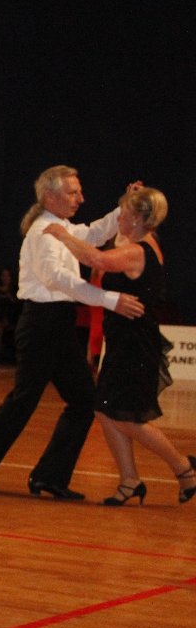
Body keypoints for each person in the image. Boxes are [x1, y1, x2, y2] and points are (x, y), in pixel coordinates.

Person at [0, 166, 145, 499]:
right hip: (40, 324)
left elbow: (96, 232)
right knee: (24, 400)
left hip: (59, 325)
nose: (80, 198)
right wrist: (110, 300)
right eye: (73, 192)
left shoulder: (64, 229)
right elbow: (59, 280)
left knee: (84, 401)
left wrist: (125, 205)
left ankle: (49, 477)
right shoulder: (42, 233)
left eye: (79, 192)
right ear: (50, 196)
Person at [43, 185, 196, 506]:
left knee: (128, 418)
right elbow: (110, 251)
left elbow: (96, 257)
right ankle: (130, 480)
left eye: (123, 213)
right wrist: (130, 196)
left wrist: (62, 234)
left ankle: (185, 469)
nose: (119, 219)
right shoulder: (141, 242)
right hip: (124, 341)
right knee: (104, 410)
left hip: (135, 345)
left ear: (138, 218)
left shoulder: (138, 251)